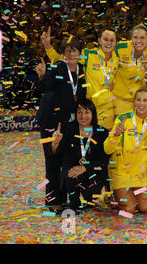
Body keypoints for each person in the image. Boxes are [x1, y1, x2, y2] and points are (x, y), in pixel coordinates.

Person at [35, 36, 86, 213]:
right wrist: (42, 75)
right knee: (52, 161)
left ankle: (64, 197)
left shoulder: (82, 70)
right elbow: (47, 85)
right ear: (63, 53)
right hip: (51, 122)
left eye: (74, 50)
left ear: (80, 53)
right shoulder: (58, 67)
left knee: (67, 160)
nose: (71, 53)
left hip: (69, 123)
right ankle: (52, 200)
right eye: (68, 50)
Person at [41, 26, 120, 130]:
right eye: (105, 39)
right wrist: (48, 47)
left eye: (111, 40)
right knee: (87, 141)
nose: (108, 43)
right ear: (99, 40)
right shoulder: (89, 54)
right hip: (89, 109)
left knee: (103, 141)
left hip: (107, 110)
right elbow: (66, 59)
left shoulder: (117, 60)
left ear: (115, 43)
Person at [103, 87, 147, 214]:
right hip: (121, 175)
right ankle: (118, 194)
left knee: (146, 208)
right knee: (129, 209)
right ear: (134, 102)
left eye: (145, 100)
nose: (141, 104)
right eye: (138, 100)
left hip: (140, 177)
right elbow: (107, 149)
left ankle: (128, 195)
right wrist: (116, 134)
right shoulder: (123, 119)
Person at [51, 99, 109, 213]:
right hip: (74, 172)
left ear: (93, 114)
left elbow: (104, 160)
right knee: (70, 176)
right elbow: (57, 154)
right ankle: (74, 202)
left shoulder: (101, 132)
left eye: (87, 112)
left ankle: (88, 198)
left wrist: (85, 168)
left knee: (91, 201)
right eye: (79, 112)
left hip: (94, 172)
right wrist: (55, 144)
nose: (83, 116)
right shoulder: (69, 130)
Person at [112, 24, 147, 117]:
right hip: (119, 102)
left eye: (142, 38)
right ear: (131, 38)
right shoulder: (120, 48)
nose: (138, 41)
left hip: (140, 103)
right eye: (135, 37)